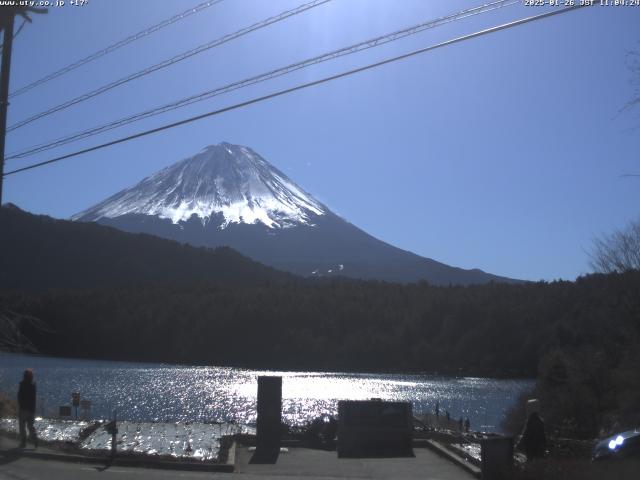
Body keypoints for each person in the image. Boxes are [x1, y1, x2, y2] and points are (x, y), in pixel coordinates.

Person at [17, 369, 38, 448]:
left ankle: (23, 442)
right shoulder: (33, 385)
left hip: (23, 408)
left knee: (22, 426)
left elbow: (19, 396)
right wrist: (33, 408)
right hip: (31, 409)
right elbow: (34, 398)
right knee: (30, 426)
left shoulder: (22, 384)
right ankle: (35, 439)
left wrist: (19, 405)